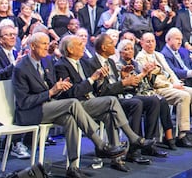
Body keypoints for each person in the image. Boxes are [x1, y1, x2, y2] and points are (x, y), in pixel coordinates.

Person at [11, 32, 126, 178]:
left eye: (48, 43)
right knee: (73, 103)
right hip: (31, 112)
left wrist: (59, 88)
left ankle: (72, 167)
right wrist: (51, 92)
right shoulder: (21, 68)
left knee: (70, 119)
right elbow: (24, 102)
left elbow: (53, 89)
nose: (48, 47)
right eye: (44, 44)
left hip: (50, 106)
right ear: (32, 46)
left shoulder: (46, 62)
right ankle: (101, 144)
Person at [54, 35, 154, 171]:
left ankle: (116, 159)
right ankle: (133, 137)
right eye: (79, 44)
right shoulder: (61, 66)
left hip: (92, 101)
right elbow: (72, 93)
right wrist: (92, 78)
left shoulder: (83, 63)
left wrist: (99, 80)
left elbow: (97, 88)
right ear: (70, 49)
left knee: (110, 115)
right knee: (112, 101)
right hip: (76, 104)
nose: (84, 46)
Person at [134, 32, 192, 148]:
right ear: (141, 43)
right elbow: (152, 80)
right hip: (158, 89)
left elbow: (170, 71)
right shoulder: (140, 58)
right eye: (147, 41)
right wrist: (171, 86)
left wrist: (176, 82)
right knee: (184, 96)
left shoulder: (158, 55)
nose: (151, 44)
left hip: (171, 85)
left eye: (153, 41)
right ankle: (183, 134)